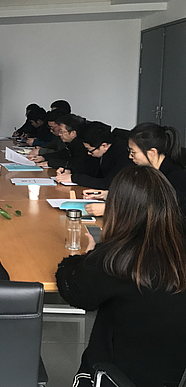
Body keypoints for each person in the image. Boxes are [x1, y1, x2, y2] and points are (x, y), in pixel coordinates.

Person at [56, 165, 186, 386]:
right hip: (171, 374)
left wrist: (87, 255)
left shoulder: (117, 258)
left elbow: (74, 290)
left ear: (119, 208)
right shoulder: (178, 248)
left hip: (117, 376)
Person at [84, 122, 186, 216]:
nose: (130, 156)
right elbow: (140, 199)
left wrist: (111, 210)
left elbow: (159, 211)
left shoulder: (177, 177)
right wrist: (109, 195)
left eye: (133, 152)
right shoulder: (148, 171)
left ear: (152, 152)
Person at [55, 121, 132, 189]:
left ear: (104, 146)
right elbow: (90, 170)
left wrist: (74, 178)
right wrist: (70, 171)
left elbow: (108, 183)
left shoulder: (123, 154)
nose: (88, 153)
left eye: (90, 150)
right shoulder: (101, 150)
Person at [30, 114, 98, 176]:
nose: (60, 134)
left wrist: (50, 163)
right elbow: (63, 153)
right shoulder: (72, 142)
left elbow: (75, 164)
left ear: (73, 133)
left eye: (62, 131)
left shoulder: (84, 145)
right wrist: (43, 157)